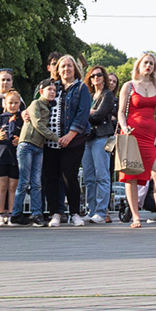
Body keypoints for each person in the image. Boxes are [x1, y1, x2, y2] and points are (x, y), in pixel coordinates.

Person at [118, 52, 156, 228]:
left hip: (152, 135)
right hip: (132, 134)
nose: (148, 66)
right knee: (131, 175)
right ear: (138, 65)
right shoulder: (129, 86)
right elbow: (121, 113)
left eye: (151, 63)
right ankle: (135, 216)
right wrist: (124, 128)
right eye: (145, 62)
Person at [47, 55, 90, 226]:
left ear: (75, 69)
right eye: (63, 66)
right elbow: (39, 104)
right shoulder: (51, 87)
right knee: (51, 177)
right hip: (51, 139)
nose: (66, 69)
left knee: (69, 176)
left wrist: (70, 135)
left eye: (69, 66)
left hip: (74, 140)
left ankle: (74, 213)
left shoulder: (81, 88)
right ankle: (55, 213)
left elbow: (83, 113)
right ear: (58, 69)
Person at [16, 80, 59, 225]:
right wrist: (56, 138)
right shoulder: (36, 104)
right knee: (24, 181)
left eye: (54, 90)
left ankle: (36, 214)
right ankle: (16, 214)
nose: (52, 92)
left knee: (37, 183)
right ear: (41, 91)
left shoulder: (50, 106)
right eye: (49, 89)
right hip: (27, 144)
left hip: (39, 147)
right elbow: (38, 124)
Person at [80, 65, 117, 224]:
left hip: (101, 136)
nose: (96, 78)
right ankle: (92, 210)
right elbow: (84, 114)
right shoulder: (88, 95)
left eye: (99, 75)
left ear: (104, 78)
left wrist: (87, 114)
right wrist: (90, 113)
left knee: (102, 175)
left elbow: (99, 116)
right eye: (93, 76)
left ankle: (101, 212)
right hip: (87, 137)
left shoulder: (107, 95)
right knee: (88, 176)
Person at [0, 89, 23, 223]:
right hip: (1, 157)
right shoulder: (0, 118)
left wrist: (20, 139)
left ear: (19, 103)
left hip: (16, 157)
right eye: (10, 103)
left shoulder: (22, 119)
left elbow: (26, 134)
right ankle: (0, 214)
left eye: (15, 103)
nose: (13, 105)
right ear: (5, 104)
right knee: (2, 186)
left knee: (13, 186)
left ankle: (11, 214)